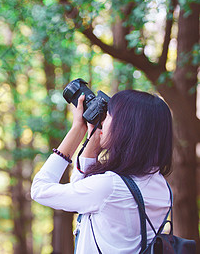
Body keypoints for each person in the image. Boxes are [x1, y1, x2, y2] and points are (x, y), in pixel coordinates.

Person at [31, 90, 173, 253]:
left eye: (109, 116)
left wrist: (77, 131)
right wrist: (93, 140)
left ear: (125, 127)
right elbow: (84, 197)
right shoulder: (162, 186)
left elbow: (39, 190)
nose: (104, 122)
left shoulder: (109, 186)